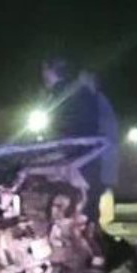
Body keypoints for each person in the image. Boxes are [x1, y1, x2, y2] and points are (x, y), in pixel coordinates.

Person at [42, 57, 101, 222]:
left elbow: (59, 130)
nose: (43, 74)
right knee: (86, 210)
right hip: (86, 156)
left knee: (75, 208)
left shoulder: (60, 94)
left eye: (44, 70)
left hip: (73, 158)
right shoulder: (82, 92)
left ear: (50, 70)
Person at [79, 70, 121, 226]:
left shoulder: (95, 102)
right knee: (92, 200)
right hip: (100, 159)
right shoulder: (99, 101)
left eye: (82, 81)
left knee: (90, 201)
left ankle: (92, 234)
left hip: (98, 160)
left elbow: (98, 133)